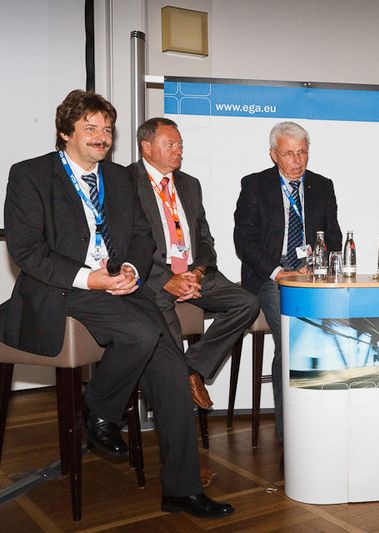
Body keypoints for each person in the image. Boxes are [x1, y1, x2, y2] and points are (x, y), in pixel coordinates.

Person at [0, 90, 234, 516]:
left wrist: (129, 269)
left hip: (118, 287)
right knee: (143, 332)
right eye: (90, 128)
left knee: (173, 369)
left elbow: (142, 238)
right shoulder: (30, 175)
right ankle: (100, 410)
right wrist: (90, 278)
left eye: (107, 129)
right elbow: (27, 251)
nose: (101, 137)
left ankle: (181, 489)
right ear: (65, 131)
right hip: (62, 288)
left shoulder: (121, 179)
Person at [131, 118, 260, 485]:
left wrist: (198, 273)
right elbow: (126, 246)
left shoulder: (189, 185)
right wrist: (167, 280)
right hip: (153, 282)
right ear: (146, 146)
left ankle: (195, 369)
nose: (179, 151)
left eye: (181, 145)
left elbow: (205, 239)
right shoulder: (127, 183)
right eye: (170, 144)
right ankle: (184, 465)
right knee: (168, 370)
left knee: (246, 303)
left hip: (195, 272)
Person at [233, 121, 341, 444]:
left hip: (311, 274)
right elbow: (244, 240)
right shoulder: (255, 185)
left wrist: (319, 263)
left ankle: (325, 419)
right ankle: (290, 436)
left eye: (302, 153)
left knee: (336, 325)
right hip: (270, 276)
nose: (297, 161)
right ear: (273, 155)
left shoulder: (322, 186)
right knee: (294, 333)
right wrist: (278, 272)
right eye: (289, 154)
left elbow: (333, 235)